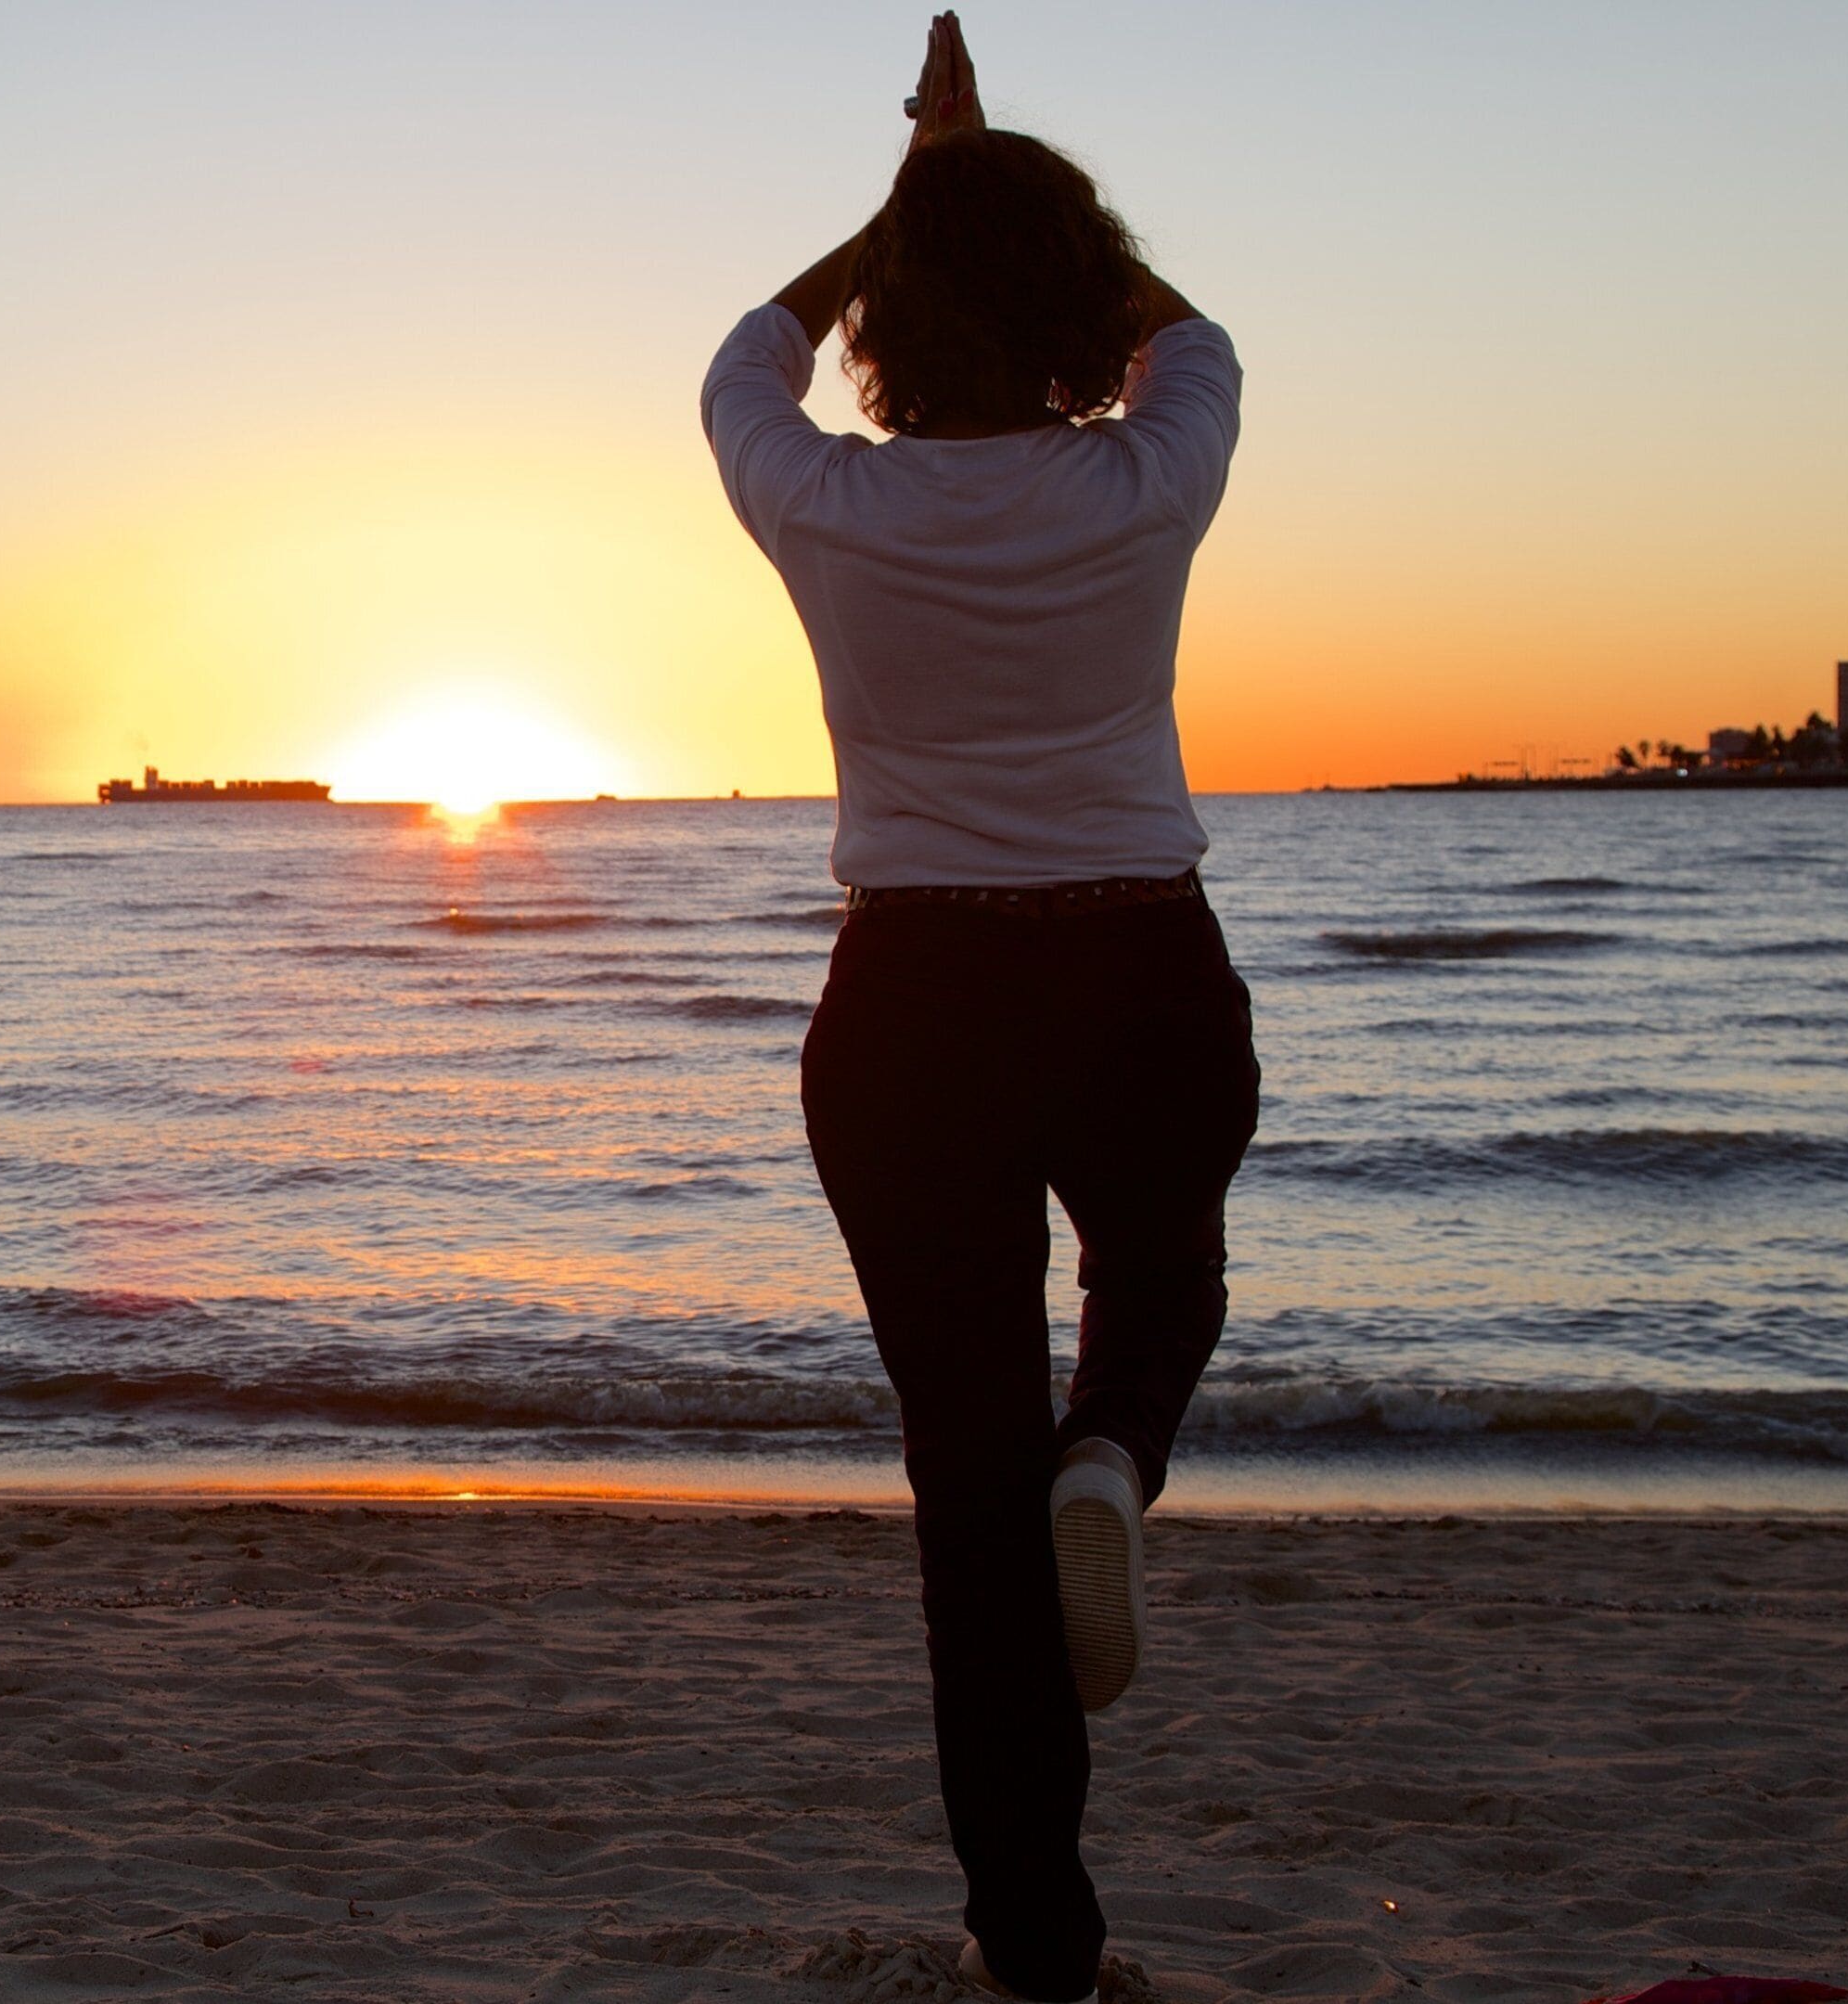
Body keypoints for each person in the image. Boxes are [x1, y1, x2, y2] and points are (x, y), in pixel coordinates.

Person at [699, 15, 1259, 1999]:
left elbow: (744, 349)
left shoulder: (821, 501)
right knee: (1167, 1282)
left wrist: (906, 195)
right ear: (1074, 308)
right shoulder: (1148, 477)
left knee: (963, 1491)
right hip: (1138, 963)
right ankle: (1114, 1446)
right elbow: (1186, 332)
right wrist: (995, 173)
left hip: (915, 991)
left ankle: (1035, 1949)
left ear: (894, 325)